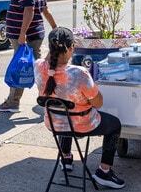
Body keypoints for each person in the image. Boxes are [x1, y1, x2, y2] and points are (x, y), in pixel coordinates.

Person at [35, 27, 125, 189]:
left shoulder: (39, 67)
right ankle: (104, 171)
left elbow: (47, 62)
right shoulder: (80, 74)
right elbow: (98, 103)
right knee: (115, 124)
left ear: (50, 48)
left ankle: (66, 158)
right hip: (83, 124)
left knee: (65, 115)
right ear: (71, 48)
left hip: (54, 124)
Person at [0, 0, 57, 112]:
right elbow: (45, 10)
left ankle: (14, 102)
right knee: (38, 68)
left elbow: (29, 11)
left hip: (26, 36)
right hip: (34, 34)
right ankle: (50, 97)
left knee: (20, 67)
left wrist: (22, 34)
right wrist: (55, 28)